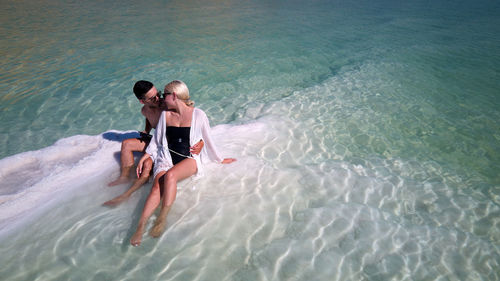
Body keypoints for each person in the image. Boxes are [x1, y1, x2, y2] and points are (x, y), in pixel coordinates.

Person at [130, 80, 236, 246]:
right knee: (157, 186)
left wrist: (220, 159)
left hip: (189, 159)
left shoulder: (198, 115)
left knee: (170, 176)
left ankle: (161, 218)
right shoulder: (165, 115)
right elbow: (157, 140)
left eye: (164, 95)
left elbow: (207, 139)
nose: (162, 98)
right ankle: (140, 226)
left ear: (174, 96)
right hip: (167, 156)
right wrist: (147, 155)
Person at [104, 80, 204, 206]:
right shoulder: (144, 110)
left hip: (169, 144)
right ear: (142, 101)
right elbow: (149, 119)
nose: (158, 99)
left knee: (146, 165)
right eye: (152, 98)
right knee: (126, 144)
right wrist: (146, 130)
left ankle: (127, 195)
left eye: (159, 94)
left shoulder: (167, 105)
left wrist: (201, 142)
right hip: (156, 140)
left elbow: (192, 121)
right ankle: (125, 177)